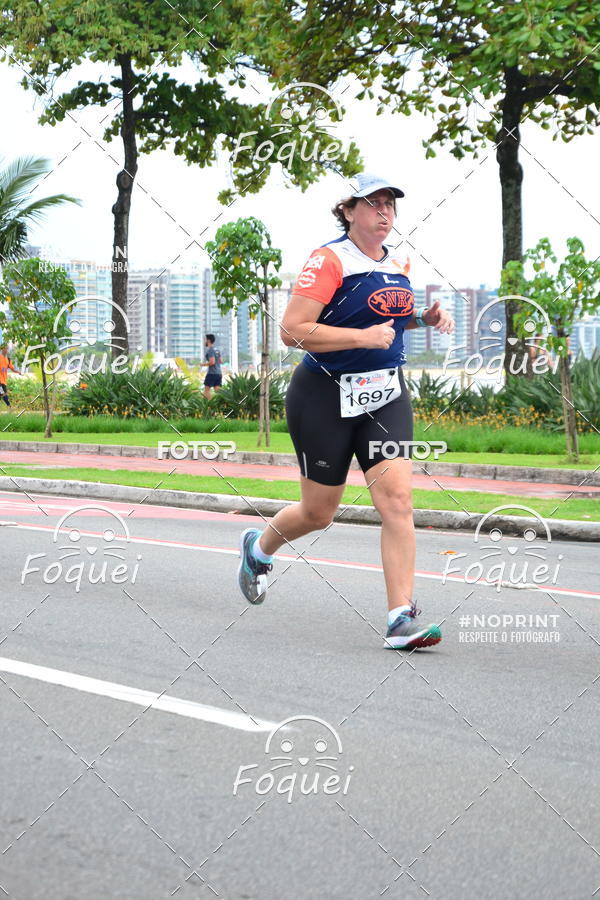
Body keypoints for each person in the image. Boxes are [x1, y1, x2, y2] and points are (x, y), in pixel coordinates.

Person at [237, 173, 454, 650]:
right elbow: (293, 331)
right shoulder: (329, 259)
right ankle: (258, 549)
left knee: (397, 500)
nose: (384, 213)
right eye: (373, 204)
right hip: (324, 397)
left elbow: (388, 322)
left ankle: (401, 617)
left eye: (390, 206)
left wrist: (424, 319)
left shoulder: (400, 260)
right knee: (319, 512)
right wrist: (360, 338)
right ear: (349, 211)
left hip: (385, 394)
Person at [200, 334, 223, 399]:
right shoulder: (217, 350)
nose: (204, 341)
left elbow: (212, 362)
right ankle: (223, 403)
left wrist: (203, 364)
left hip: (212, 373)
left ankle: (210, 405)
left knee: (206, 390)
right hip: (219, 373)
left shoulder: (210, 350)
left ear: (208, 340)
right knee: (217, 389)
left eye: (205, 340)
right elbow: (221, 361)